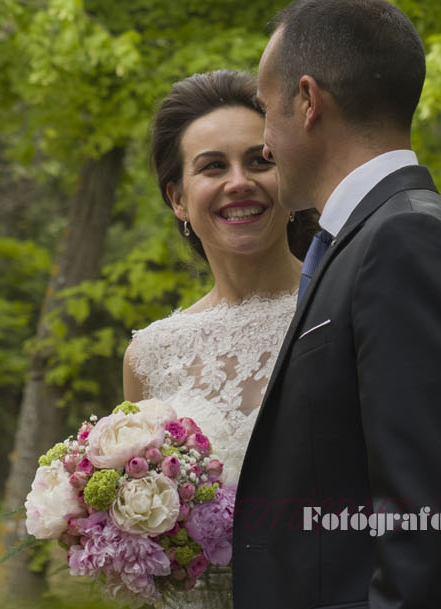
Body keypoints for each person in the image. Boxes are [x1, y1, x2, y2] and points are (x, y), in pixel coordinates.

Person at [233, 0, 441, 609]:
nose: (264, 142)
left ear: (308, 102)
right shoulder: (376, 238)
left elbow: (432, 530)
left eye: (266, 110)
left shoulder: (406, 242)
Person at [123, 70, 311, 604]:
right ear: (178, 199)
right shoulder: (149, 355)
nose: (239, 182)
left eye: (260, 160)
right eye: (212, 167)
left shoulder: (340, 306)